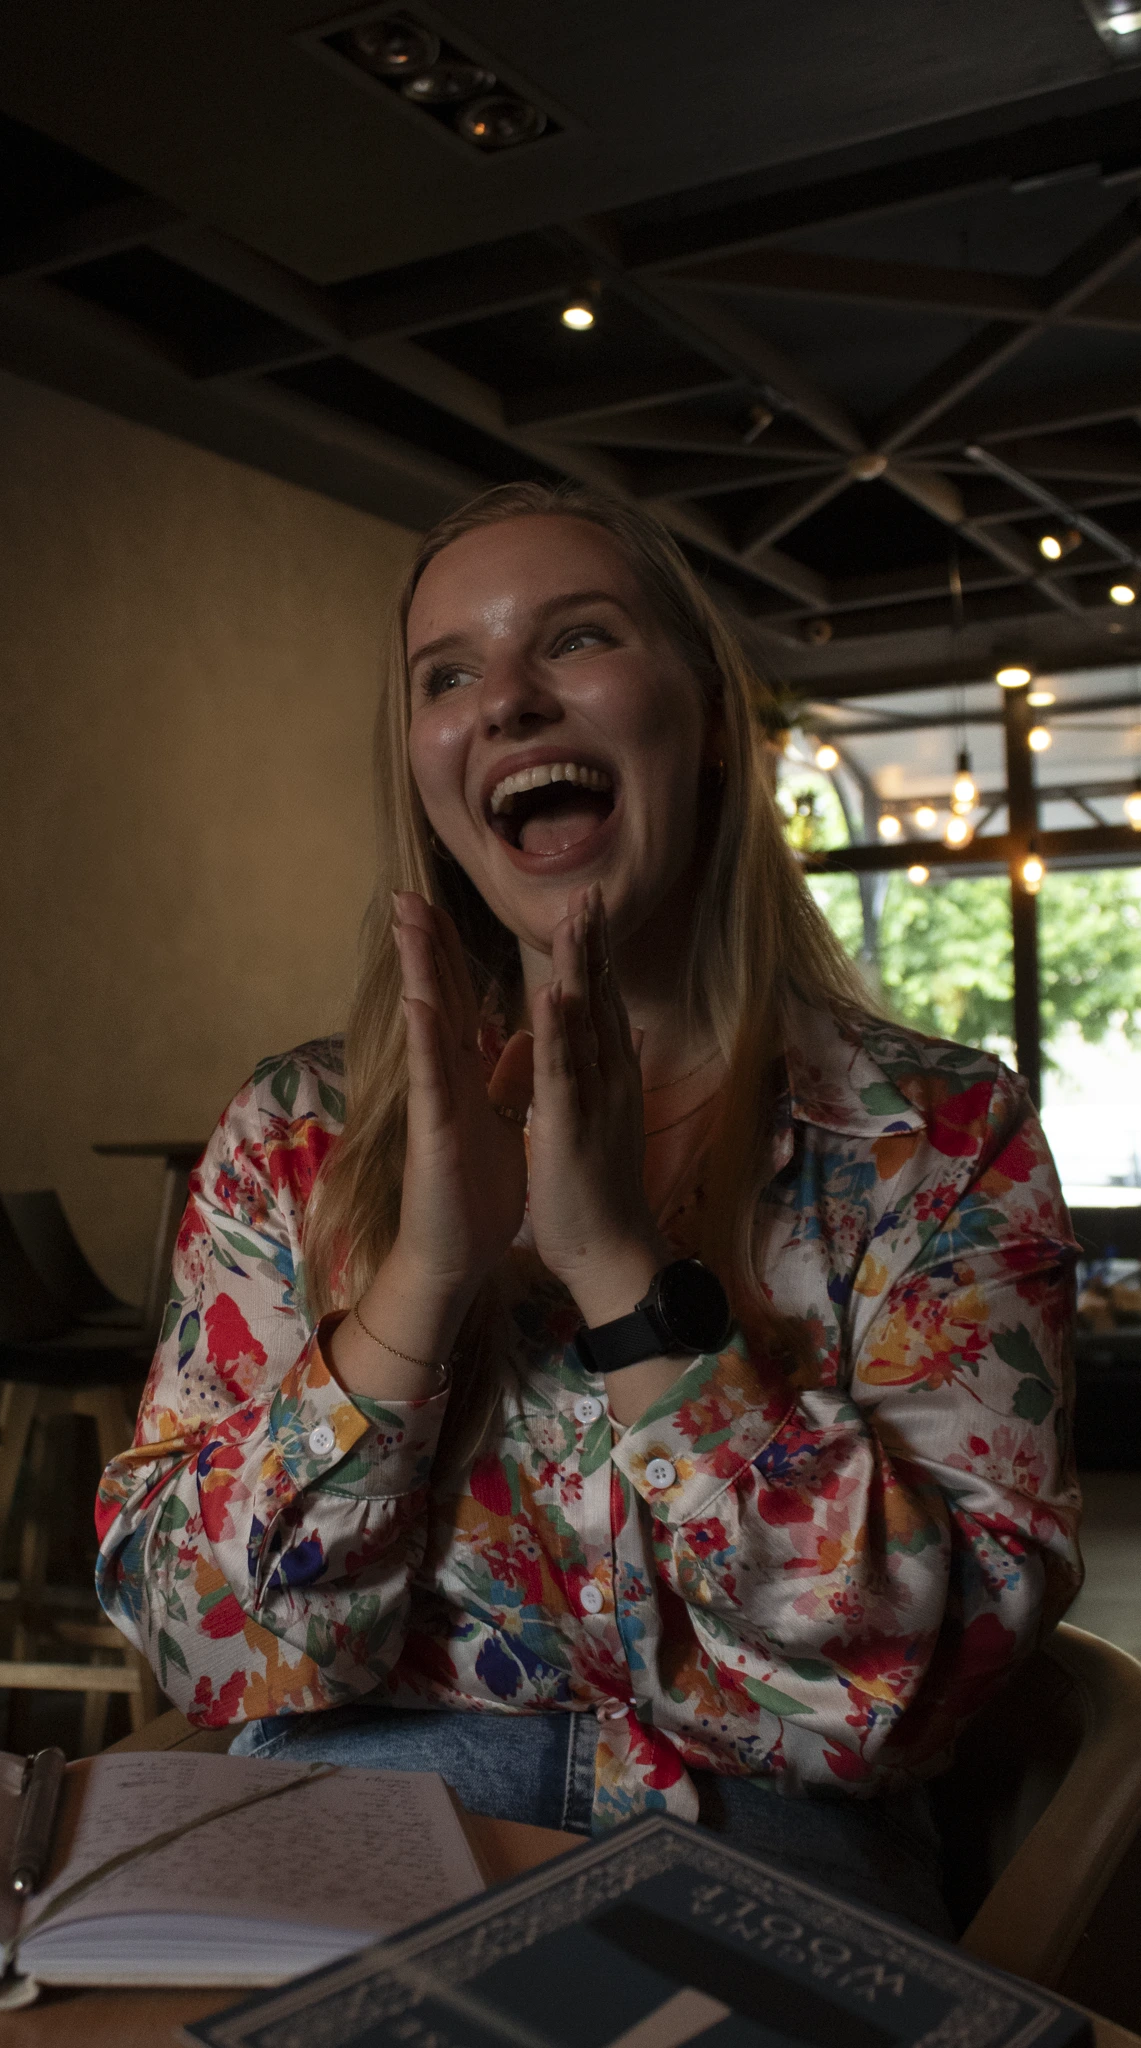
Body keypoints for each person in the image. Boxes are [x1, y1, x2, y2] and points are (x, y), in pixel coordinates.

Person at [96, 482, 1081, 1935]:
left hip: (764, 1851)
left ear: (707, 717)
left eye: (576, 638)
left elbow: (924, 1682)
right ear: (423, 768)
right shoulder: (296, 1133)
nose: (504, 700)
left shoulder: (937, 1137)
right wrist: (421, 1281)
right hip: (346, 1829)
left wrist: (625, 1272)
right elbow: (202, 1642)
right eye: (447, 674)